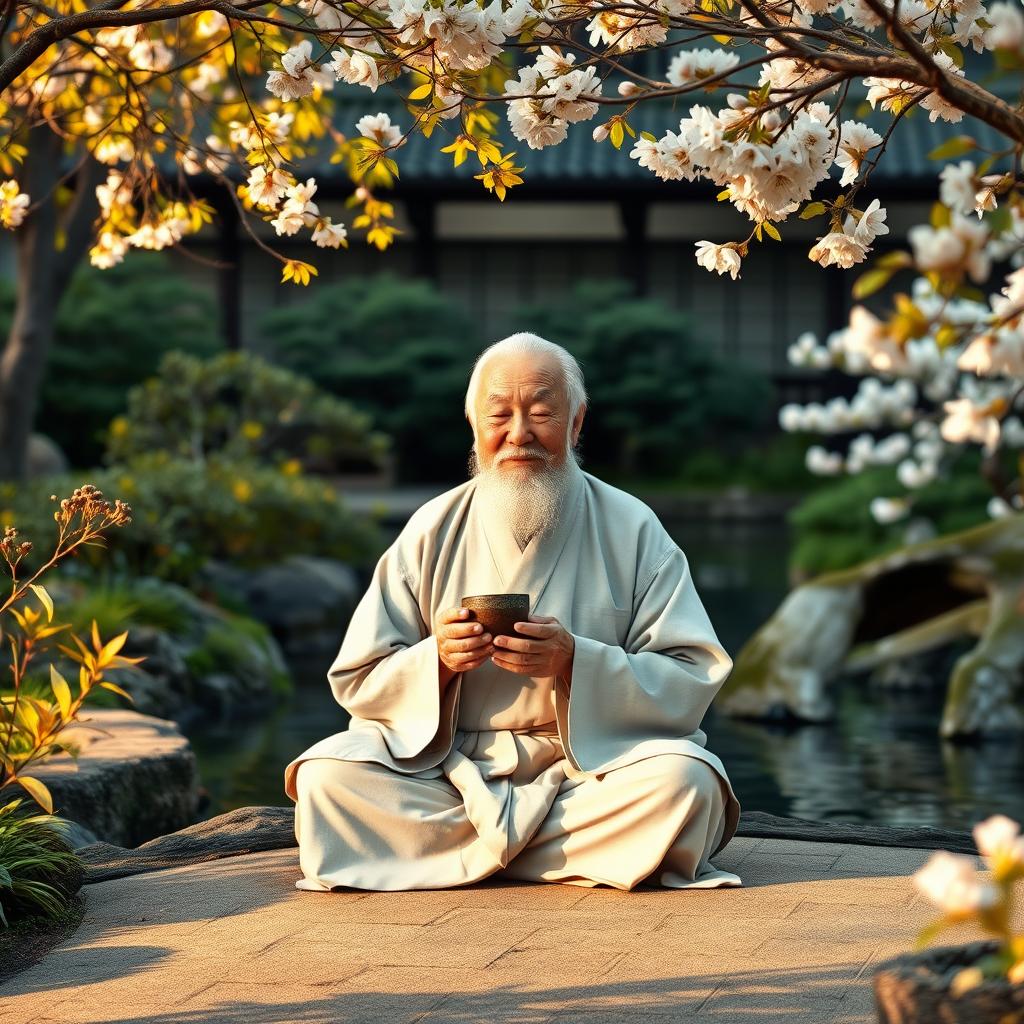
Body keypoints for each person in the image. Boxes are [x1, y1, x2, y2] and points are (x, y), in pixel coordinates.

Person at [284, 331, 743, 891]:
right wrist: (439, 661)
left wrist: (577, 660)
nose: (519, 434)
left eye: (543, 413)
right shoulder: (431, 527)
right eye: (498, 415)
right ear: (474, 426)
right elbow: (359, 677)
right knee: (328, 779)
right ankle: (568, 857)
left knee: (685, 783)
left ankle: (444, 856)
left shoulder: (633, 527)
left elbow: (693, 673)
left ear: (576, 424)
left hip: (590, 770)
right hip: (447, 770)